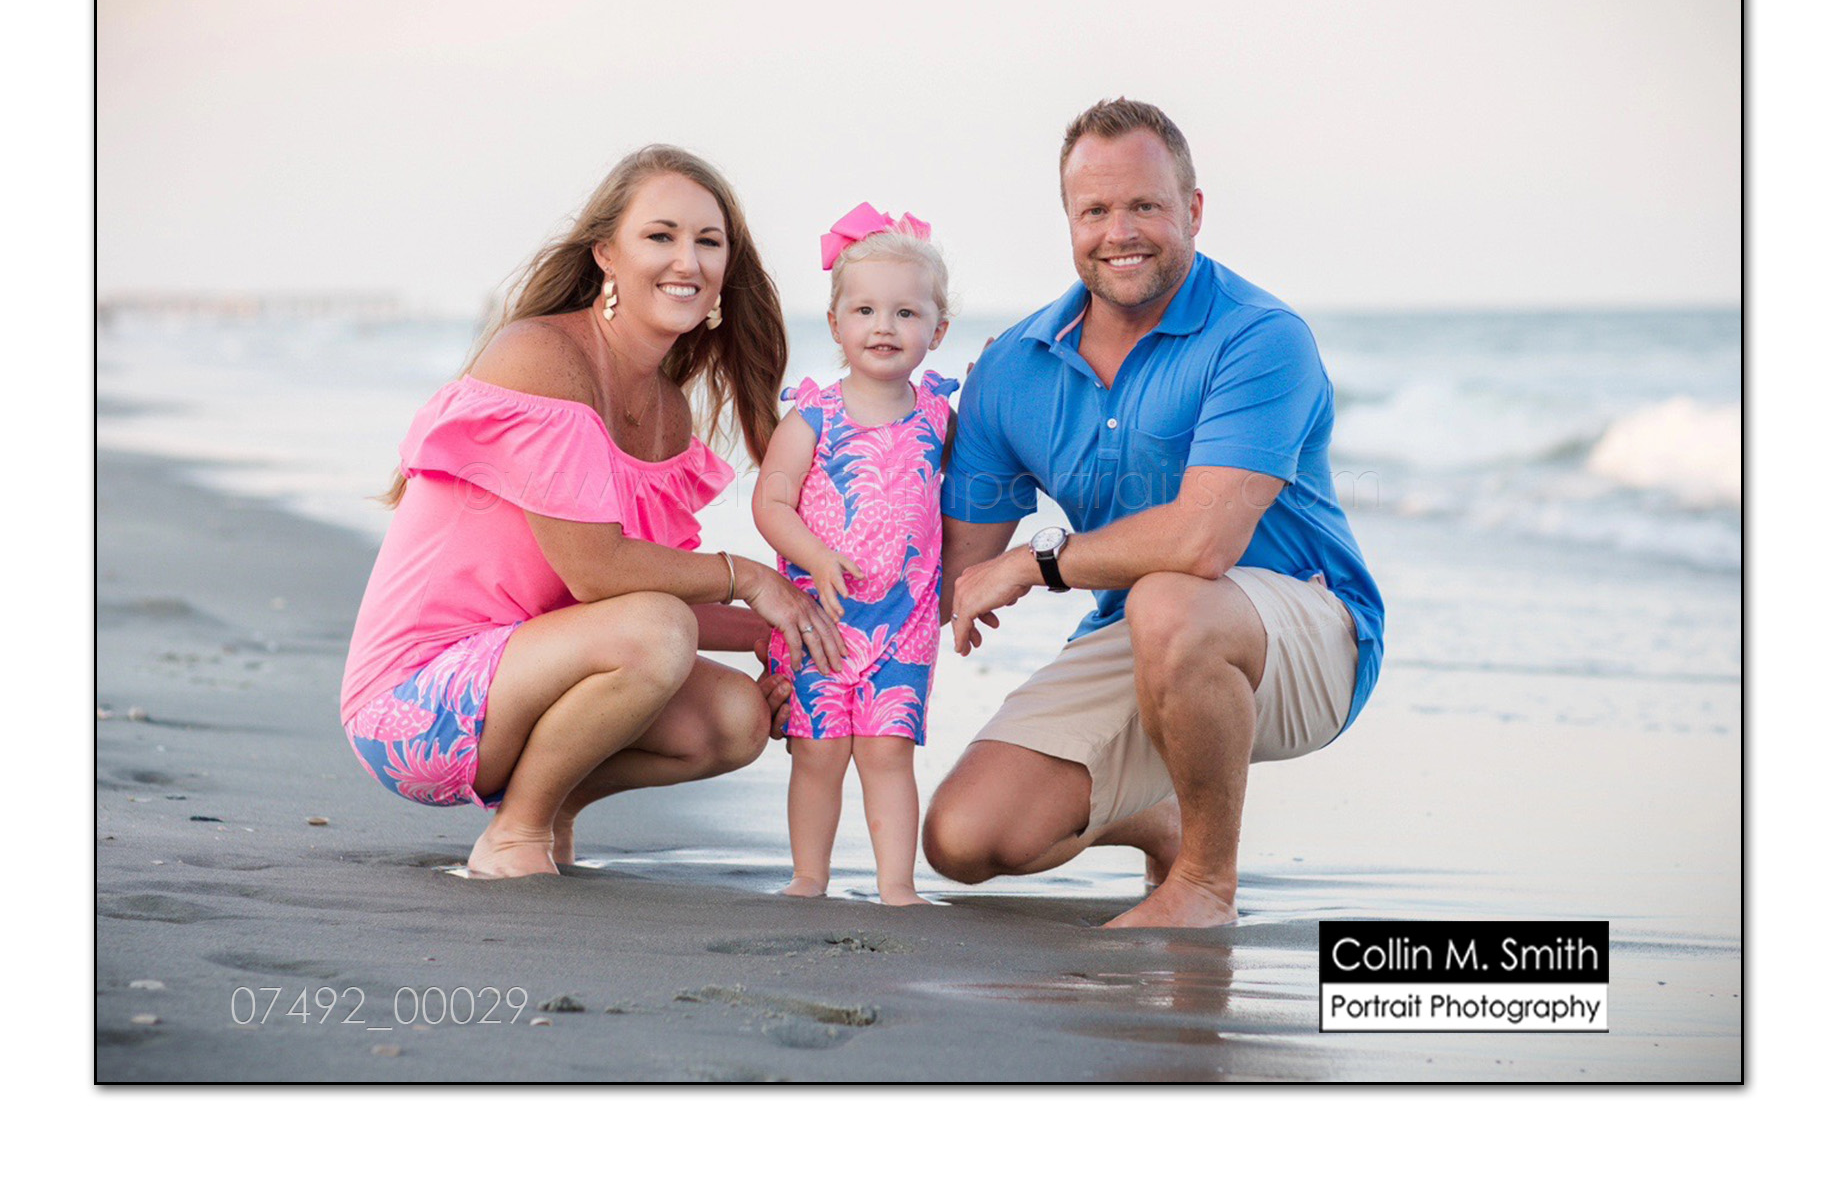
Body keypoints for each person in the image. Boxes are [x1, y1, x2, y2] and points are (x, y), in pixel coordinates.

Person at [925, 99, 1384, 929]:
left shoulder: (1261, 336)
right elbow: (955, 572)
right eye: (1095, 211)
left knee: (1171, 599)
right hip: (1140, 633)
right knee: (963, 838)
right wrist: (891, 437)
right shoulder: (1012, 369)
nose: (1120, 232)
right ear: (1069, 221)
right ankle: (1164, 813)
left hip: (1310, 633)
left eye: (1145, 205)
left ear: (1193, 210)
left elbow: (1204, 542)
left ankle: (1205, 883)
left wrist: (1035, 561)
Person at [340, 144, 843, 879]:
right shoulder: (542, 356)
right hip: (413, 707)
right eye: (661, 235)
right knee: (658, 632)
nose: (688, 261)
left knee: (737, 720)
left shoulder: (666, 412)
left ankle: (552, 803)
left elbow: (630, 599)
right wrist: (749, 578)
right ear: (607, 253)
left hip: (525, 676)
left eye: (709, 242)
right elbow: (600, 573)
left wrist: (776, 634)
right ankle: (515, 833)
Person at [752, 203, 958, 906]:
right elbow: (771, 504)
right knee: (817, 753)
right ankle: (809, 876)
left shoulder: (939, 416)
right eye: (865, 310)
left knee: (888, 751)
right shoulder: (814, 415)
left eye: (906, 313)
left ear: (938, 329)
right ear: (836, 323)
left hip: (904, 623)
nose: (884, 326)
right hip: (821, 619)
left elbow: (972, 500)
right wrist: (816, 556)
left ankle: (897, 885)